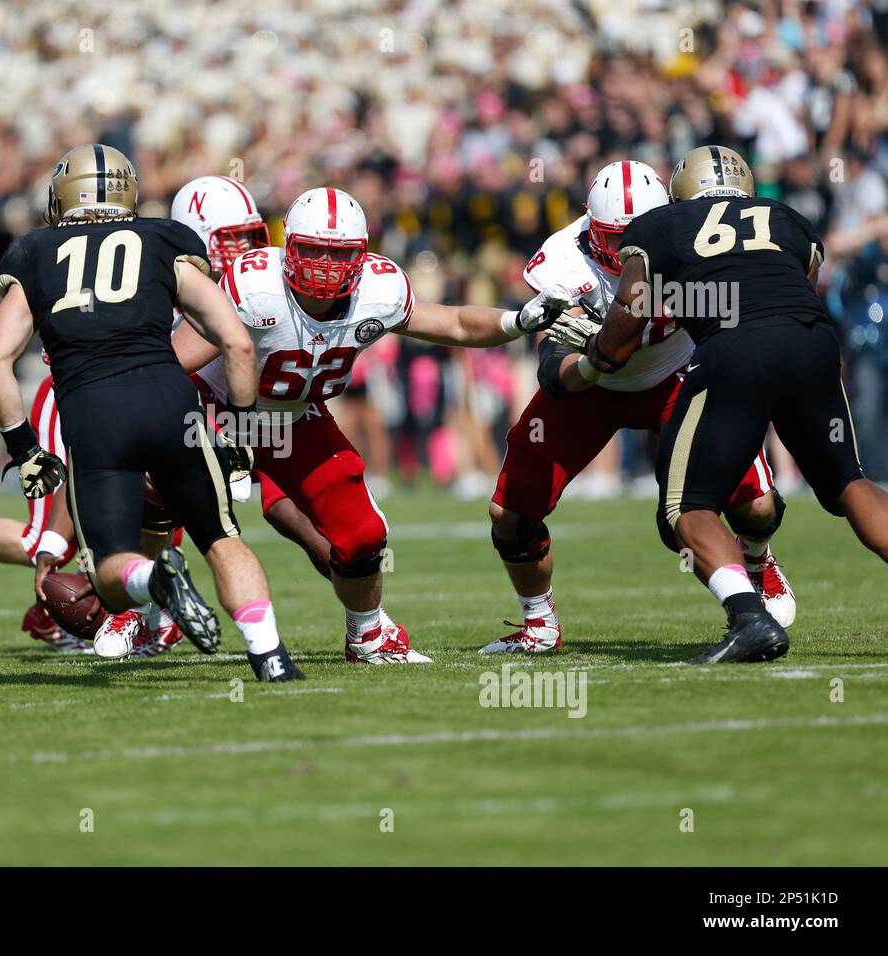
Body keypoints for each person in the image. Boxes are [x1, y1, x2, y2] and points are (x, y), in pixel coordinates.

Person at [172, 186, 567, 663]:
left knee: (362, 534)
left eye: (338, 254)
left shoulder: (378, 291)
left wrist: (516, 320)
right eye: (313, 249)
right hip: (213, 406)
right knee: (155, 495)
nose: (323, 264)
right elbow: (176, 363)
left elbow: (456, 323)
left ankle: (367, 636)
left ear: (362, 256)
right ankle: (135, 615)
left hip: (295, 417)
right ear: (287, 247)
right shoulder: (254, 286)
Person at [0, 144, 302, 681]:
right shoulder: (161, 238)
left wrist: (24, 448)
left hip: (96, 417)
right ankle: (269, 655)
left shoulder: (34, 252)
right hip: (171, 404)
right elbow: (237, 343)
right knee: (221, 537)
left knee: (108, 569)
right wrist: (242, 430)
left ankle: (153, 582)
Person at [589, 145, 888, 663]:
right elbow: (800, 288)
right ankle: (754, 593)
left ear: (682, 190)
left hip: (735, 348)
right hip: (812, 342)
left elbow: (624, 325)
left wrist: (595, 351)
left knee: (685, 506)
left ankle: (750, 618)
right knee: (848, 481)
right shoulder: (790, 219)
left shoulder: (659, 224)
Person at [481, 160, 793, 655]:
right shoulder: (563, 261)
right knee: (510, 512)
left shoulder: (694, 235)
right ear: (589, 226)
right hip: (592, 390)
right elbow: (552, 368)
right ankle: (538, 623)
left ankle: (756, 560)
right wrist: (586, 367)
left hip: (680, 377)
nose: (623, 247)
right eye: (610, 236)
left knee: (756, 507)